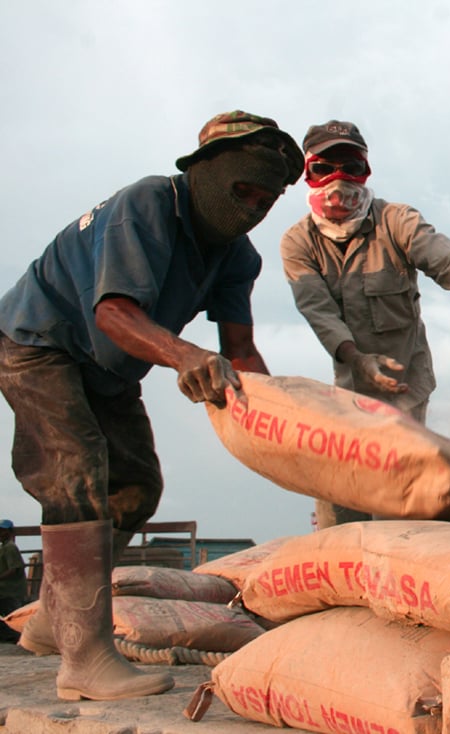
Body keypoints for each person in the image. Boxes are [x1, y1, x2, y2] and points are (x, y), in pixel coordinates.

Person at [0, 110, 303, 700]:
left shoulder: (238, 257)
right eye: (242, 190)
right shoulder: (147, 206)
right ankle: (83, 658)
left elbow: (239, 350)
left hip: (108, 370)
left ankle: (50, 619)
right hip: (39, 341)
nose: (251, 209)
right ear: (202, 173)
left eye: (266, 201)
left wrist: (280, 414)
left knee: (137, 488)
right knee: (77, 473)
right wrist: (184, 355)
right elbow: (112, 313)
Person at [280, 120, 450, 528]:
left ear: (365, 170)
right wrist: (355, 358)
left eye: (351, 166)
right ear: (307, 175)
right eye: (325, 168)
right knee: (338, 494)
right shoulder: (298, 243)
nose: (338, 179)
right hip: (349, 388)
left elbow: (448, 260)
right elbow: (318, 311)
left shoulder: (394, 221)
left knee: (398, 492)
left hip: (406, 385)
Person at [0, 519, 27, 643]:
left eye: (2, 530)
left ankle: (19, 639)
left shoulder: (10, 547)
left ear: (9, 532)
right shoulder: (4, 547)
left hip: (10, 590)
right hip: (5, 590)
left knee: (13, 615)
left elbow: (14, 569)